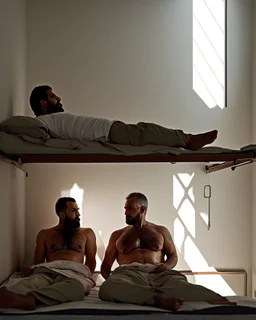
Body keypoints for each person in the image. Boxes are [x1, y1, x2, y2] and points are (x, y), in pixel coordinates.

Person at [99, 192, 235, 312]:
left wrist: (165, 266)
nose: (126, 212)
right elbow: (105, 267)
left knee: (182, 285)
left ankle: (219, 302)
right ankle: (156, 299)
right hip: (130, 273)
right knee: (107, 288)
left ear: (142, 209)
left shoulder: (160, 231)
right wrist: (120, 281)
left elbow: (173, 256)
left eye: (130, 208)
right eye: (125, 208)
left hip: (159, 273)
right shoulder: (117, 235)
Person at [29, 85, 218, 151]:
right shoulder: (42, 122)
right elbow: (34, 133)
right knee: (147, 131)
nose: (59, 98)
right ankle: (188, 139)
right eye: (53, 96)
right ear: (43, 104)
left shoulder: (52, 121)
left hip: (109, 129)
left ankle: (184, 139)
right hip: (107, 132)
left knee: (146, 130)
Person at [0, 197, 97, 310]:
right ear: (62, 214)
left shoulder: (87, 233)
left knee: (78, 287)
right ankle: (18, 296)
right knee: (20, 286)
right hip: (48, 271)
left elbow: (91, 261)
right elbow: (38, 261)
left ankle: (31, 299)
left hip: (74, 272)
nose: (78, 214)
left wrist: (87, 276)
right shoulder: (45, 234)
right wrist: (30, 269)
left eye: (77, 210)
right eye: (73, 211)